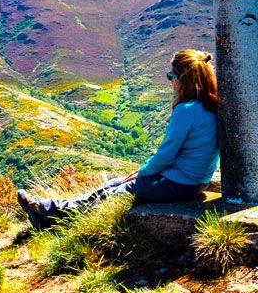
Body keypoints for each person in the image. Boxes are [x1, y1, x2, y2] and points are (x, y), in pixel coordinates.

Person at [17, 49, 221, 229]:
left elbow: (166, 154)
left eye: (170, 76)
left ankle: (48, 213)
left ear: (182, 79)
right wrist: (143, 173)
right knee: (115, 182)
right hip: (195, 180)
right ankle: (49, 213)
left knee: (116, 191)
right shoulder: (209, 104)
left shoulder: (186, 111)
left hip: (179, 182)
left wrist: (142, 172)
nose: (170, 82)